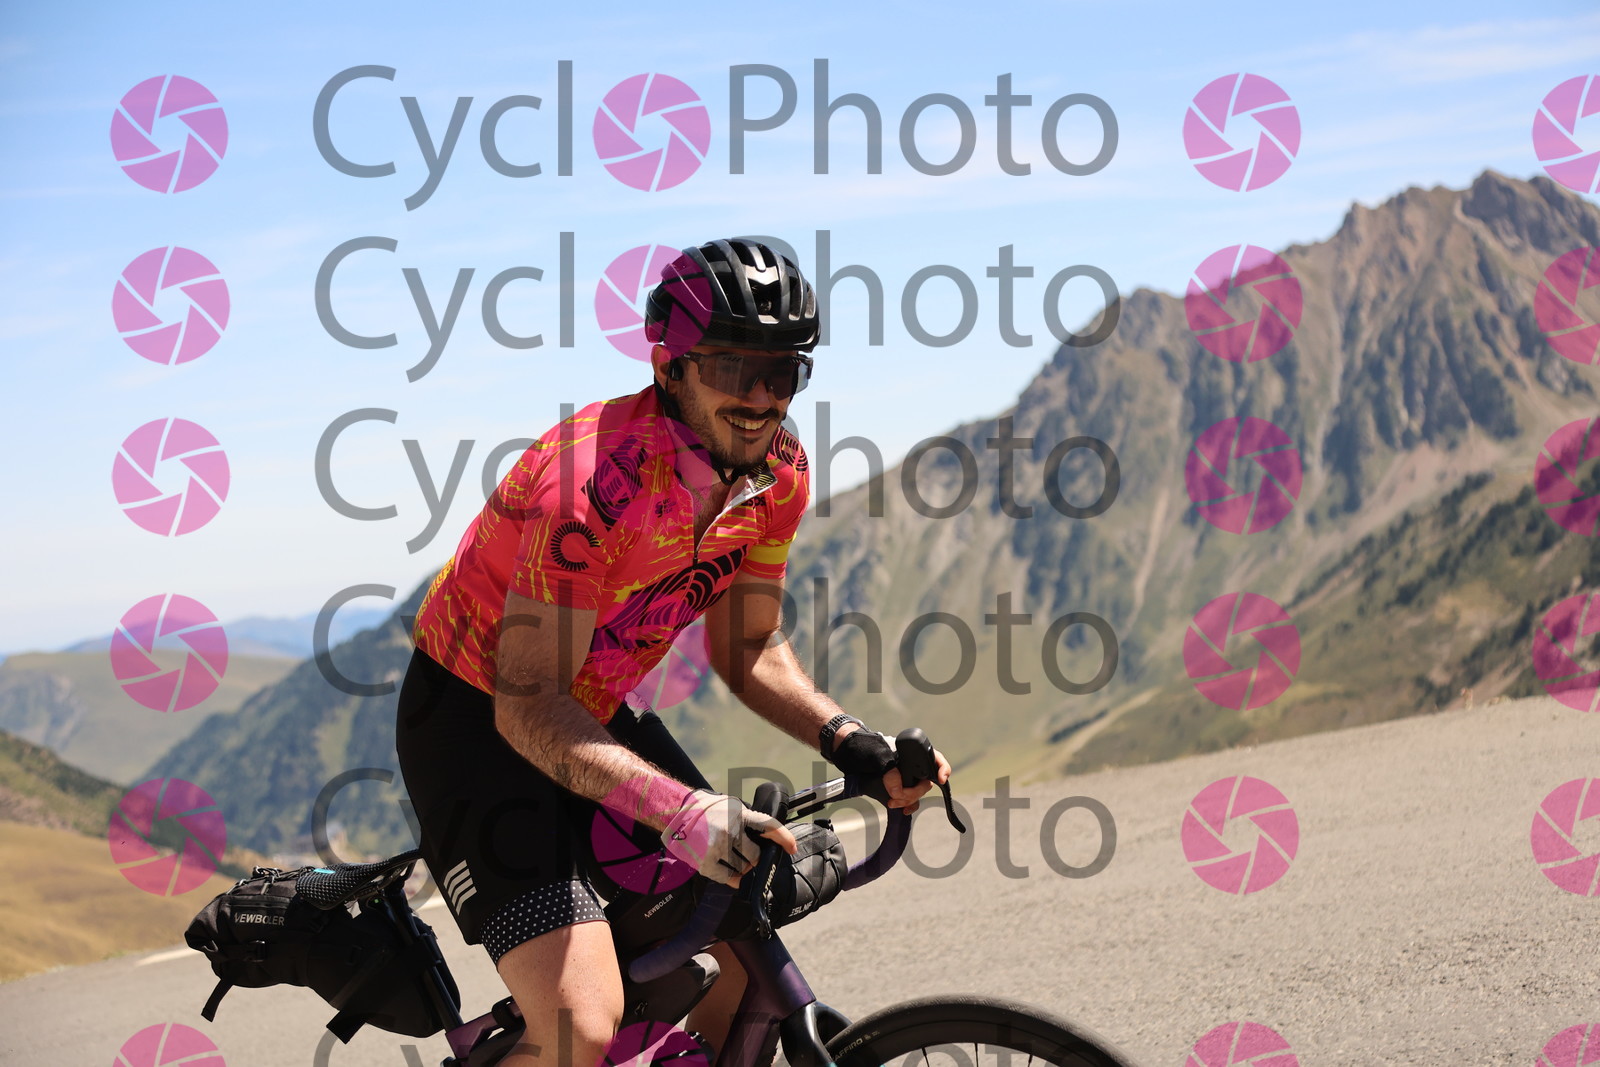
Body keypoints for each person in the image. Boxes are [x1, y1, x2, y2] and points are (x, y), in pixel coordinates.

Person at [395, 238, 950, 1067]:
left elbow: (749, 642)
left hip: (589, 713)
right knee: (581, 1025)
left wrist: (847, 737)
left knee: (745, 969)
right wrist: (683, 812)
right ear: (670, 364)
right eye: (733, 369)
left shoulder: (778, 476)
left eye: (783, 372)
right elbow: (527, 704)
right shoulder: (589, 484)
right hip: (477, 721)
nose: (761, 399)